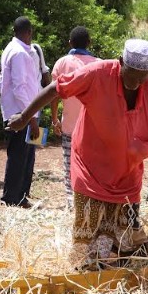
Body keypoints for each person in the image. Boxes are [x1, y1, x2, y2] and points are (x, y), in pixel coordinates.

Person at [7, 39, 148, 270]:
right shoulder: (97, 74)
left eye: (142, 77)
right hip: (90, 170)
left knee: (127, 243)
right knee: (88, 236)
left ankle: (116, 276)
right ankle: (86, 273)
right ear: (121, 62)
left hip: (127, 176)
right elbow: (56, 88)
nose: (135, 83)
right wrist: (24, 117)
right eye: (131, 76)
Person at [0, 16, 47, 208]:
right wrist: (31, 117)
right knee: (19, 156)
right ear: (29, 32)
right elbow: (19, 88)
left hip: (24, 112)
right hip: (21, 114)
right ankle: (12, 197)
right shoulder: (18, 53)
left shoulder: (18, 50)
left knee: (27, 155)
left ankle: (21, 195)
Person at [49, 26, 99, 207]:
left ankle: (72, 204)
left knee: (69, 166)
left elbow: (54, 95)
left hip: (69, 126)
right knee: (91, 167)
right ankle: (89, 202)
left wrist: (54, 119)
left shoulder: (62, 63)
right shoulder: (98, 64)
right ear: (89, 43)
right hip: (93, 129)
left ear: (70, 43)